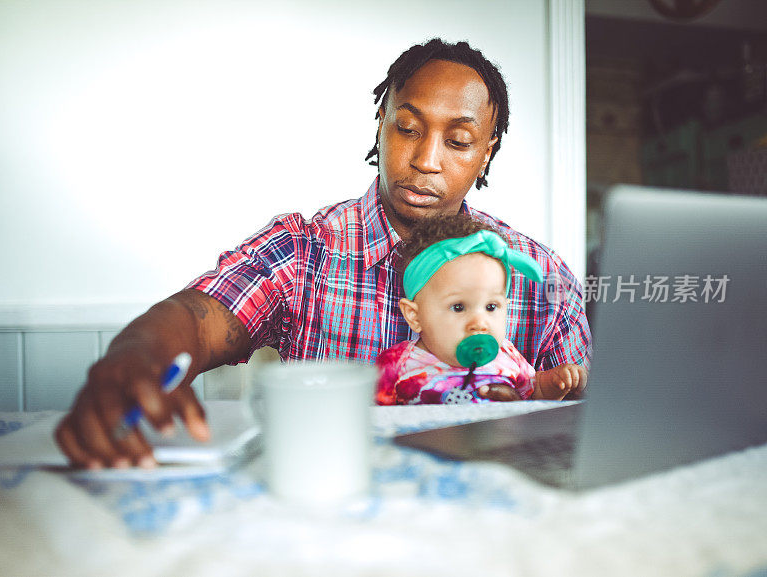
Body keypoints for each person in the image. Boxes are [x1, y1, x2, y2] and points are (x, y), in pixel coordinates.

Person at [55, 38, 592, 469]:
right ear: (380, 123)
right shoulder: (305, 250)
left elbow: (586, 417)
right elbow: (198, 320)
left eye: (457, 141)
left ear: (486, 151)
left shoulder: (538, 275)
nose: (426, 160)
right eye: (407, 128)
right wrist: (136, 358)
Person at [375, 214, 587, 405]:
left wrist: (554, 383)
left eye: (491, 307)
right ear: (415, 316)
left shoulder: (508, 356)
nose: (479, 322)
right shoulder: (395, 365)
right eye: (458, 307)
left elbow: (534, 391)